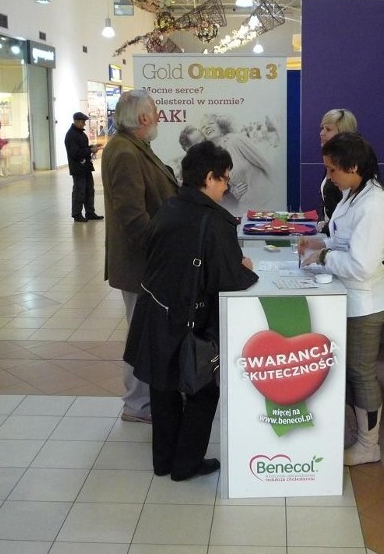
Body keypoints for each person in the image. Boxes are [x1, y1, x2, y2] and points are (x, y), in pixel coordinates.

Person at [125, 141, 258, 480]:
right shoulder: (213, 220)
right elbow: (229, 277)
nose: (227, 186)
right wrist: (244, 265)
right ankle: (186, 464)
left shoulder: (170, 207)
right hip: (189, 322)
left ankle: (164, 461)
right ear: (210, 178)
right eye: (225, 179)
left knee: (164, 389)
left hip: (155, 312)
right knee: (202, 390)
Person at [299, 132, 384, 466]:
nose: (329, 176)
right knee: (353, 371)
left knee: (361, 372)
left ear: (353, 166)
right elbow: (343, 239)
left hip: (365, 303)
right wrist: (319, 245)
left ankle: (369, 445)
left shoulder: (373, 205)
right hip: (349, 297)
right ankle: (358, 435)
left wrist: (323, 258)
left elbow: (362, 264)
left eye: (333, 169)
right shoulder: (354, 193)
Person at [101, 90, 179, 423]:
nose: (159, 118)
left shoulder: (132, 147)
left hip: (146, 262)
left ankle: (144, 401)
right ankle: (137, 405)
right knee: (140, 336)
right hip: (141, 264)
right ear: (143, 118)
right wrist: (162, 251)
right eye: (156, 113)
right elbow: (132, 217)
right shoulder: (124, 152)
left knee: (144, 333)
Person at [201, 114, 272, 212]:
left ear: (220, 126)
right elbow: (226, 188)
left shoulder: (236, 140)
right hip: (246, 209)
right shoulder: (214, 157)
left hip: (267, 203)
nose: (207, 127)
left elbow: (265, 164)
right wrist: (233, 192)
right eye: (203, 127)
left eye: (210, 123)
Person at [317, 108, 358, 231]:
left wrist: (325, 229)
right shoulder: (332, 161)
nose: (321, 133)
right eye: (322, 128)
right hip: (331, 235)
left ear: (342, 134)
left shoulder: (350, 167)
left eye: (328, 129)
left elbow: (346, 216)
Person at [65, 111, 103, 222]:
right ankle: (77, 214)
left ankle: (90, 212)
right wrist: (90, 150)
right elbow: (75, 153)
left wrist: (92, 147)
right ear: (76, 121)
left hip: (86, 167)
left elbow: (83, 148)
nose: (84, 124)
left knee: (89, 190)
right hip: (78, 168)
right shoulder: (71, 135)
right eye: (83, 122)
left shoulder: (81, 134)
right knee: (79, 191)